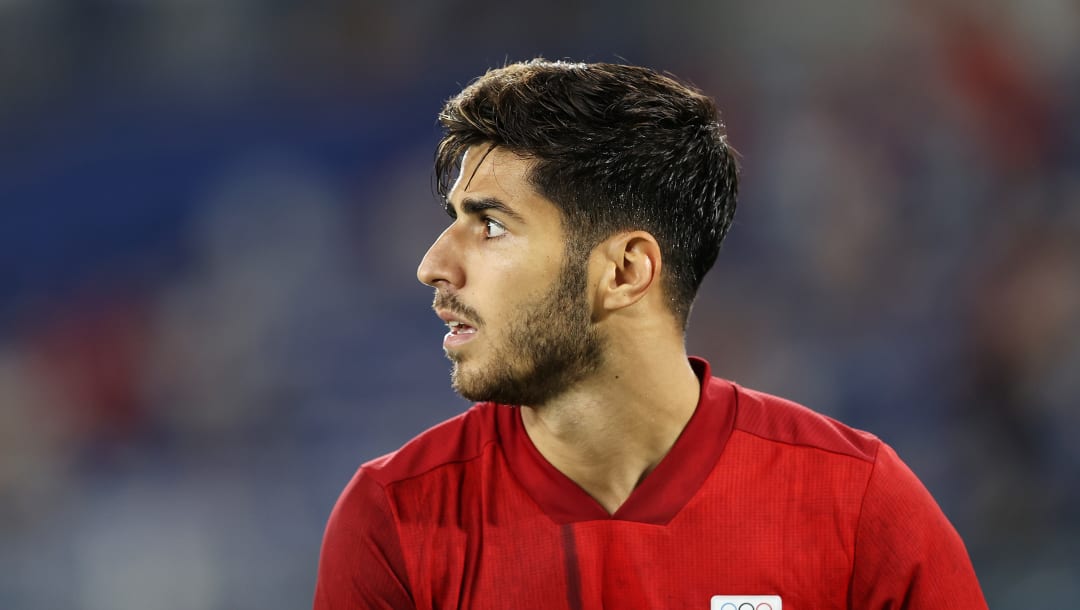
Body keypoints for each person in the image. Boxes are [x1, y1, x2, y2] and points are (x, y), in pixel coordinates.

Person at [313, 59, 987, 609]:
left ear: (626, 271)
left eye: (490, 225)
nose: (433, 264)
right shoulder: (393, 519)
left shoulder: (857, 506)